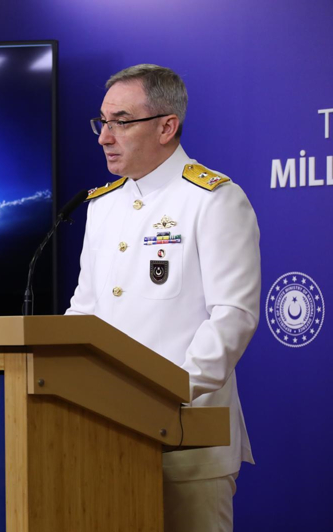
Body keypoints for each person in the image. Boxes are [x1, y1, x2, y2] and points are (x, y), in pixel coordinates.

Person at [65, 64, 260, 532]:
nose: (104, 137)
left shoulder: (212, 198)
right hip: (107, 432)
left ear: (167, 126)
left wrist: (166, 393)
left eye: (121, 121)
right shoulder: (101, 205)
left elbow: (232, 317)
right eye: (102, 122)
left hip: (185, 436)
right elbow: (84, 312)